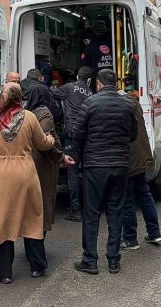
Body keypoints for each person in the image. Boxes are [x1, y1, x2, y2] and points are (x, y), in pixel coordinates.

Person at [0, 83, 58, 284]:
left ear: (3, 98)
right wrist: (51, 139)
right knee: (31, 218)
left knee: (3, 220)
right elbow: (42, 143)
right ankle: (37, 266)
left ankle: (4, 272)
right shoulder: (29, 117)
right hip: (25, 171)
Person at [71, 69, 137, 276]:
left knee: (91, 213)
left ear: (98, 84)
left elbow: (77, 133)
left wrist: (81, 155)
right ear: (115, 83)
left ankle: (90, 260)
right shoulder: (127, 104)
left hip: (95, 166)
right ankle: (113, 260)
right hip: (120, 165)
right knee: (115, 212)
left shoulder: (90, 103)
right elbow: (133, 134)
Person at [24, 83, 72, 270]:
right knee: (42, 207)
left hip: (26, 165)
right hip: (42, 167)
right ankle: (36, 254)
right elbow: (45, 144)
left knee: (30, 209)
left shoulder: (24, 114)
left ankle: (32, 250)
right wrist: (60, 157)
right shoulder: (45, 114)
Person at [50, 66, 94, 222]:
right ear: (89, 80)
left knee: (73, 171)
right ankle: (90, 207)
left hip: (72, 134)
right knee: (88, 171)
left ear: (77, 77)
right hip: (87, 135)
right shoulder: (91, 93)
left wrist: (52, 85)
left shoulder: (69, 87)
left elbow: (52, 93)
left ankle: (75, 210)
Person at [121, 92, 161, 250]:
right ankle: (154, 232)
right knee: (144, 195)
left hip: (128, 158)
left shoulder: (120, 106)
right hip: (140, 156)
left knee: (127, 200)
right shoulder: (134, 103)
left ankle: (130, 239)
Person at [80, 21, 113, 86]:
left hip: (96, 82)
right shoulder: (113, 45)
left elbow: (84, 67)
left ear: (93, 31)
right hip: (112, 79)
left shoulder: (89, 48)